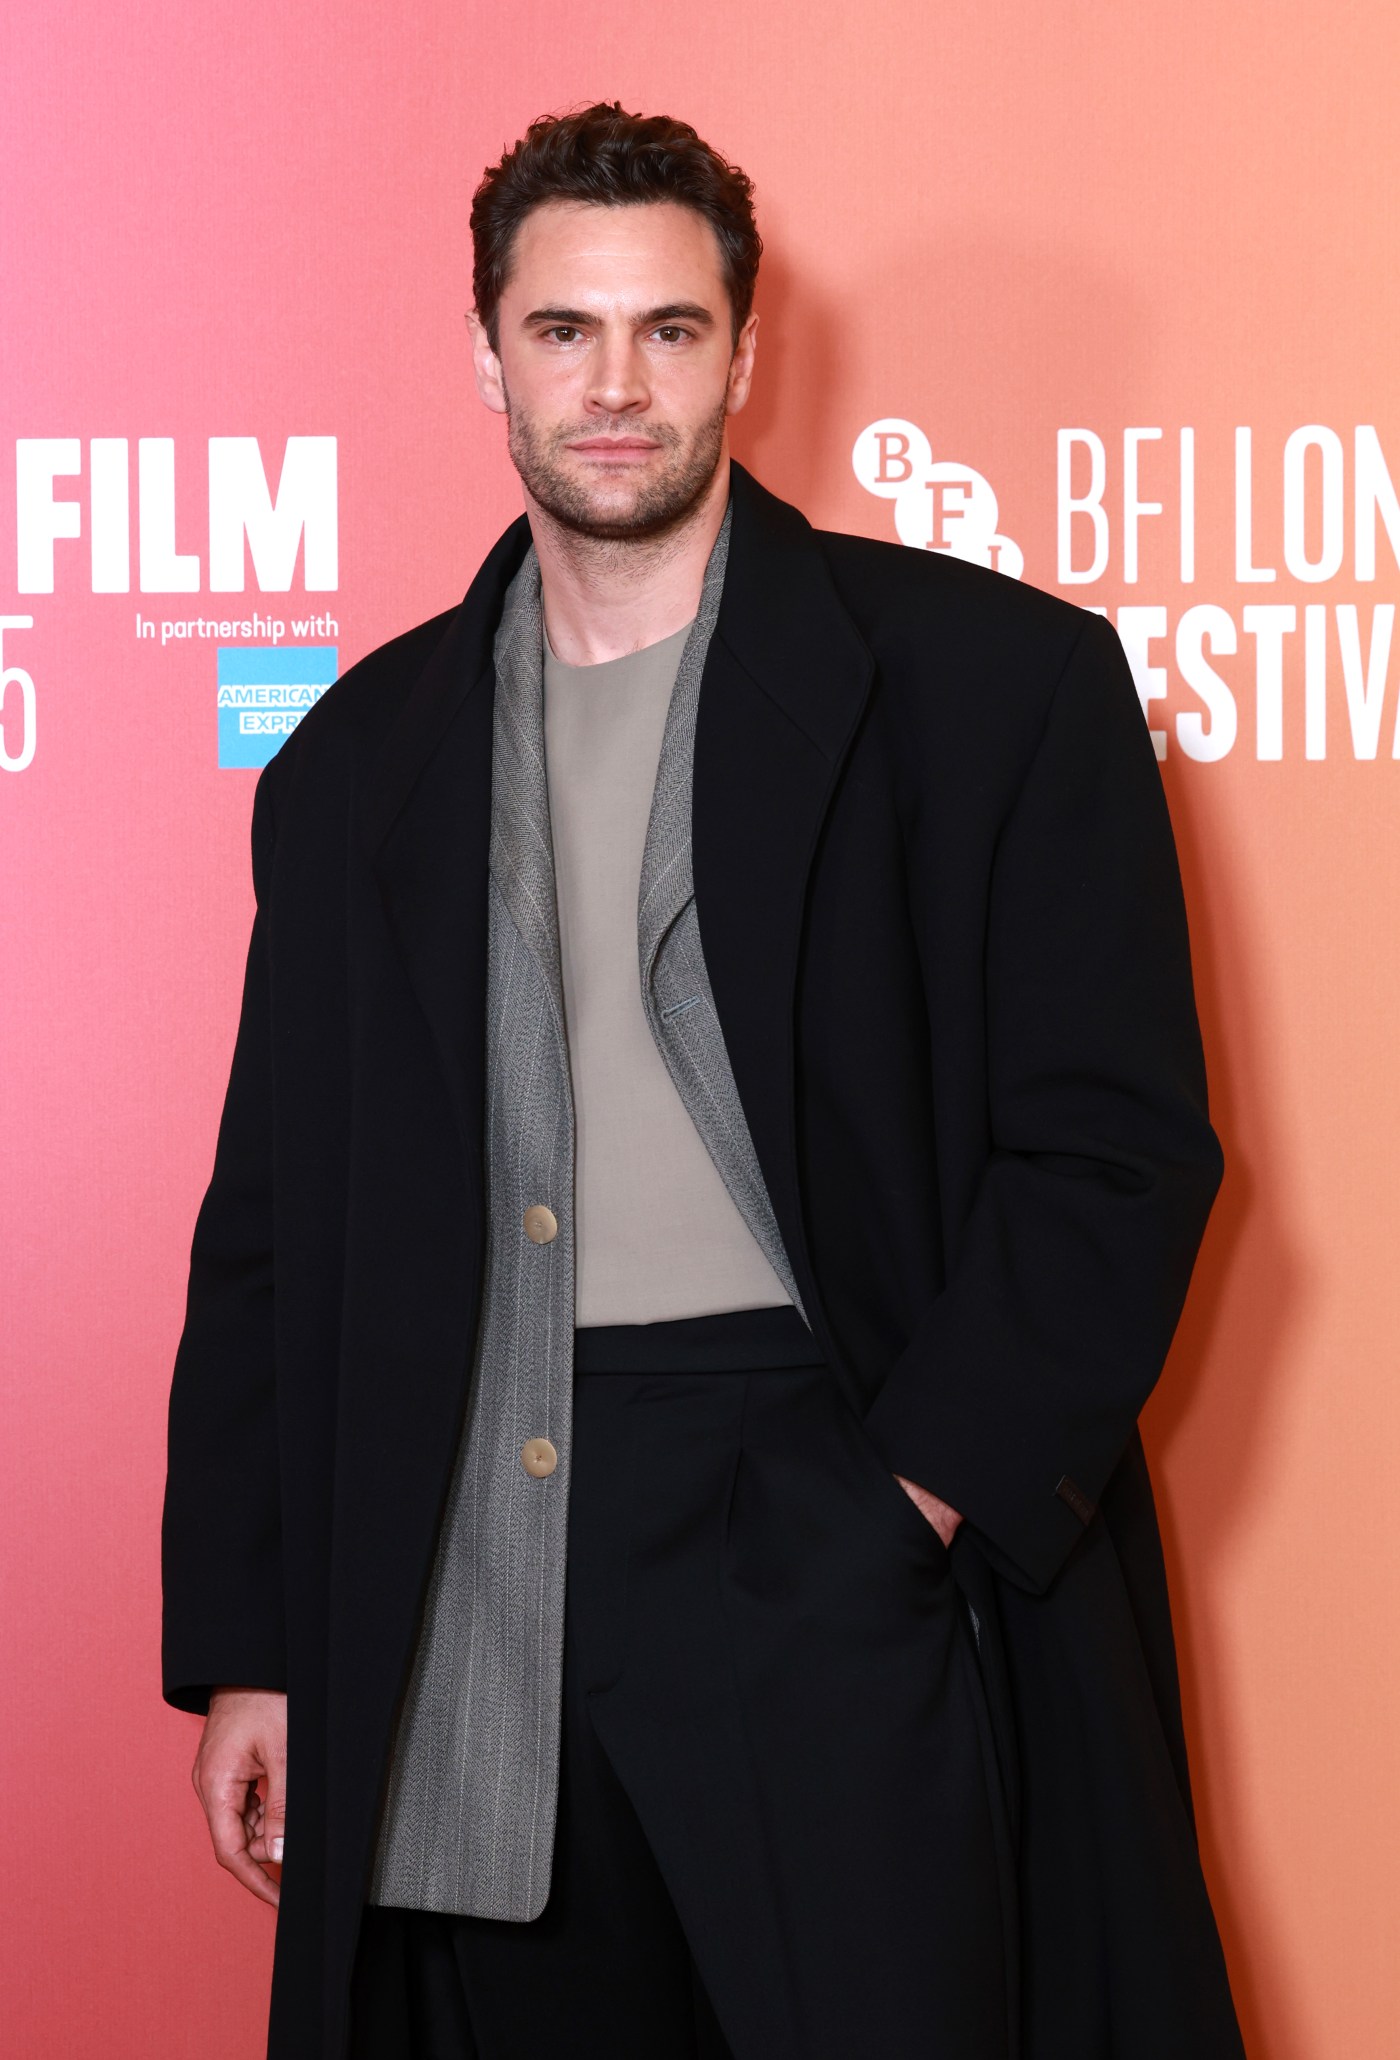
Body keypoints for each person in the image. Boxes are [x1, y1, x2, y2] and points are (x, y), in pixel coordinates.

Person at [162, 101, 1246, 2060]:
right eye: (562, 330)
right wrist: (258, 1648)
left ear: (746, 353)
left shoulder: (993, 687)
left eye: (668, 329)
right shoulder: (357, 764)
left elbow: (1114, 1153)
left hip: (829, 1506)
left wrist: (907, 1500)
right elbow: (271, 1234)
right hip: (470, 1548)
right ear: (486, 353)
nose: (614, 386)